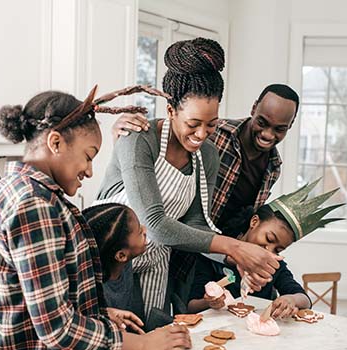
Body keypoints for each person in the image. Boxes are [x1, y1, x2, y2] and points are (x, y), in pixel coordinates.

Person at [0, 87, 191, 350]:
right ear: (56, 142)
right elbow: (56, 329)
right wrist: (142, 345)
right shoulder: (34, 205)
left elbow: (39, 299)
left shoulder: (13, 189)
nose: (90, 171)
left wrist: (97, 313)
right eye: (88, 156)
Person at [96, 38, 281, 319]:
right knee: (118, 342)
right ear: (170, 110)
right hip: (109, 262)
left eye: (212, 124)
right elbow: (155, 224)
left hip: (158, 260)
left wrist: (235, 260)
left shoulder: (207, 154)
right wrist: (236, 246)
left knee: (156, 331)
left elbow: (194, 222)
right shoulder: (138, 139)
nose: (202, 134)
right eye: (193, 124)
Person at [112, 83, 300, 293]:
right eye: (262, 122)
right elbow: (177, 123)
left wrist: (238, 257)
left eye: (279, 129)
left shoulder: (274, 167)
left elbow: (206, 220)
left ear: (290, 125)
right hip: (171, 242)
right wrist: (125, 131)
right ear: (254, 108)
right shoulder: (214, 134)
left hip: (213, 257)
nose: (267, 134)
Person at [188, 179, 344, 318]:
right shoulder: (213, 258)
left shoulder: (273, 266)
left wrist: (291, 299)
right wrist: (210, 302)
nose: (268, 251)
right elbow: (191, 305)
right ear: (254, 222)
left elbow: (304, 299)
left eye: (278, 250)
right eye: (269, 239)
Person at [83, 203, 148, 331]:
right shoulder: (97, 293)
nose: (145, 229)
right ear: (121, 255)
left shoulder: (124, 264)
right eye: (140, 232)